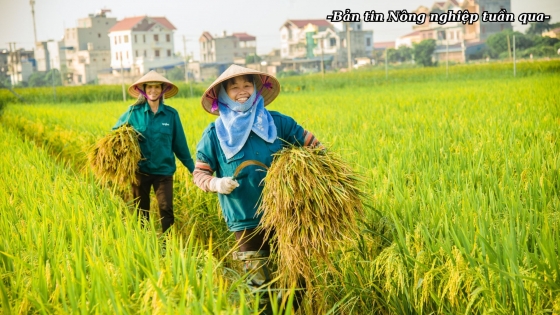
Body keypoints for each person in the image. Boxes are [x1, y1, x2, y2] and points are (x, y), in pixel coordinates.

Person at [193, 65, 323, 313]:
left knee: (298, 282)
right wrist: (217, 184)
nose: (242, 91)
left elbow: (313, 146)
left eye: (247, 85)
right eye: (234, 87)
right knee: (261, 288)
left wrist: (322, 173)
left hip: (286, 215)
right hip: (245, 219)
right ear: (223, 93)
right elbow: (200, 173)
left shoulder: (277, 123)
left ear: (255, 88)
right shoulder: (214, 134)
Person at [113, 70, 194, 233]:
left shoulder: (171, 115)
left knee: (166, 209)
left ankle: (168, 245)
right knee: (141, 211)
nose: (153, 91)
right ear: (143, 90)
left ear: (162, 90)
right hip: (139, 172)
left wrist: (194, 169)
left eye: (157, 87)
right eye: (149, 87)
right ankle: (144, 244)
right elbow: (115, 135)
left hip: (163, 172)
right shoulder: (132, 113)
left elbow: (180, 145)